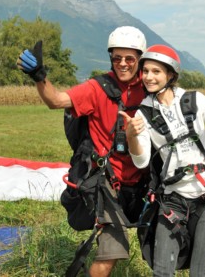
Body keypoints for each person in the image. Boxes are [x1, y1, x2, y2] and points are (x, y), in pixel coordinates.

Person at [17, 26, 148, 277]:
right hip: (107, 182)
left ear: (139, 59)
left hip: (141, 182)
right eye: (116, 57)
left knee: (158, 247)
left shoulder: (151, 84)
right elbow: (56, 100)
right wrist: (39, 76)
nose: (122, 63)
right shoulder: (96, 88)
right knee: (112, 250)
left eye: (129, 58)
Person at [120, 44, 205, 277]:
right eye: (145, 72)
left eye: (156, 71)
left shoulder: (195, 100)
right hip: (172, 200)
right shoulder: (143, 112)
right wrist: (131, 135)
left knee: (201, 273)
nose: (149, 77)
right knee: (162, 272)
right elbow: (141, 161)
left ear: (170, 74)